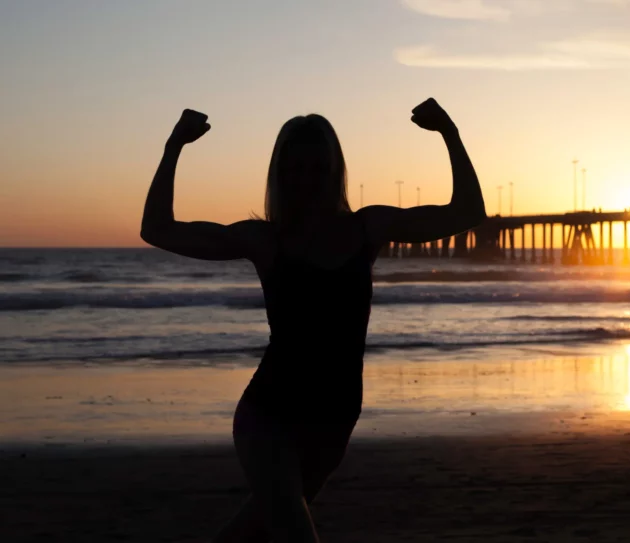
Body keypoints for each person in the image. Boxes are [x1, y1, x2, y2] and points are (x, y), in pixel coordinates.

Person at [140, 98, 486, 542]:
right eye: (295, 169)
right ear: (280, 175)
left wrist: (449, 133)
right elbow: (158, 229)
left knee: (257, 531)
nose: (306, 180)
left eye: (317, 168)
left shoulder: (367, 228)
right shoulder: (264, 239)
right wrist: (174, 147)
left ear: (334, 171)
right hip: (270, 414)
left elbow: (467, 213)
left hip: (335, 417)